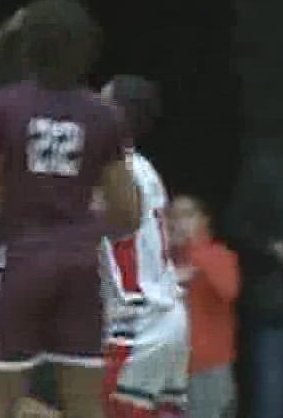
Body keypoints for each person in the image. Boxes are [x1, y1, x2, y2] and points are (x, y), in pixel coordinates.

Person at [0, 0, 142, 418]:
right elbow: (129, 213)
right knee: (85, 405)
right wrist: (78, 227)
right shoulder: (103, 115)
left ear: (26, 45)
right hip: (78, 264)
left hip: (16, 258)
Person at [100, 76, 189, 418]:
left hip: (137, 323)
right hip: (169, 316)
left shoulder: (113, 174)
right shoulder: (145, 168)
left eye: (100, 101)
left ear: (117, 115)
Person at [170, 196, 241, 418]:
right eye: (173, 215)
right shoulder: (162, 258)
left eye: (188, 215)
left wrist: (194, 251)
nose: (179, 222)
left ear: (204, 220)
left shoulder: (218, 255)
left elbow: (230, 290)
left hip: (207, 366)